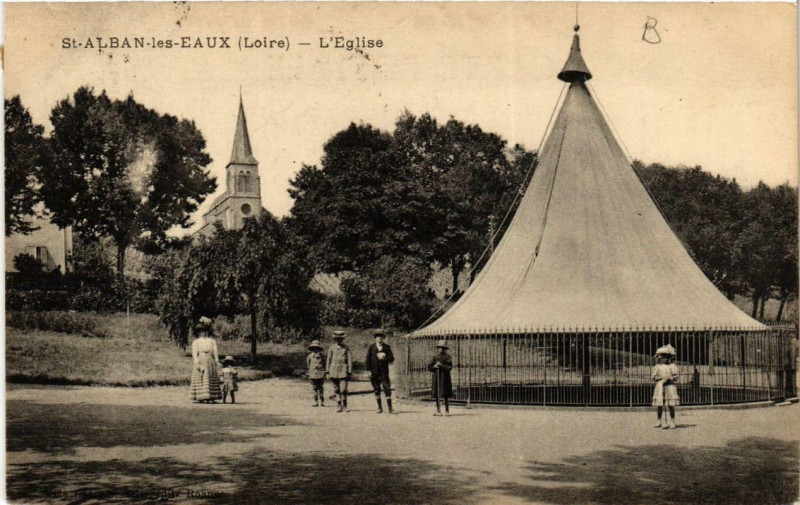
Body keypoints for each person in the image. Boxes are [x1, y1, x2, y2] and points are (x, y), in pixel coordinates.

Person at [190, 316, 222, 403]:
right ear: (199, 332)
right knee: (202, 376)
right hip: (201, 359)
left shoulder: (212, 341)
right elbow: (194, 354)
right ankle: (201, 397)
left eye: (205, 331)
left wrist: (217, 361)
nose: (204, 333)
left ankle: (211, 396)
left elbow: (215, 351)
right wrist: (197, 363)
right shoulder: (196, 342)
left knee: (210, 377)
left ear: (208, 331)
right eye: (202, 331)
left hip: (210, 360)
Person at [366, 329, 396, 414]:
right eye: (377, 336)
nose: (379, 338)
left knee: (387, 388)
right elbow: (368, 360)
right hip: (374, 371)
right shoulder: (372, 347)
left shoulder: (386, 347)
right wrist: (368, 371)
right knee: (376, 389)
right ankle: (379, 407)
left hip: (384, 372)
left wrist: (385, 357)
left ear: (383, 338)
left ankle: (390, 409)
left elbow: (391, 358)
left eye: (381, 336)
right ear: (375, 338)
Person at [652, 344, 679, 429]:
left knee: (670, 405)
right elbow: (653, 377)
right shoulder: (657, 367)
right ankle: (659, 420)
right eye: (661, 357)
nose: (663, 359)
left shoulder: (672, 366)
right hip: (660, 386)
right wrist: (662, 379)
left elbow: (676, 377)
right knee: (660, 405)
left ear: (668, 357)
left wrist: (670, 378)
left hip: (670, 386)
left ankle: (672, 421)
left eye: (665, 357)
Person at [326, 331, 352, 412]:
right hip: (333, 370)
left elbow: (349, 360)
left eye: (340, 339)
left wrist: (349, 371)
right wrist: (327, 372)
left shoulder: (346, 348)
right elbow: (328, 360)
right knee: (336, 389)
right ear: (335, 339)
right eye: (337, 339)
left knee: (343, 389)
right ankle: (339, 404)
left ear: (342, 339)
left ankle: (345, 405)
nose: (339, 340)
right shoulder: (331, 348)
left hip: (343, 370)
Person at [428, 340, 453, 416]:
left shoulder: (448, 357)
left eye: (442, 348)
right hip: (437, 376)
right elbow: (429, 367)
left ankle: (447, 410)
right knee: (437, 393)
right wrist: (434, 366)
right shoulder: (435, 357)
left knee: (445, 394)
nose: (440, 349)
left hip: (444, 377)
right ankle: (438, 410)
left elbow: (449, 367)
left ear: (445, 349)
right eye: (439, 347)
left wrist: (442, 365)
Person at [307, 340, 326, 407]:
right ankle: (315, 401)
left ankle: (322, 401)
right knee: (314, 388)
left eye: (317, 348)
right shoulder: (310, 356)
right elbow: (309, 365)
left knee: (320, 388)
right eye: (314, 348)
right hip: (313, 374)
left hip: (321, 373)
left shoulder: (322, 356)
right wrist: (310, 372)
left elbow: (324, 364)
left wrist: (324, 372)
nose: (315, 349)